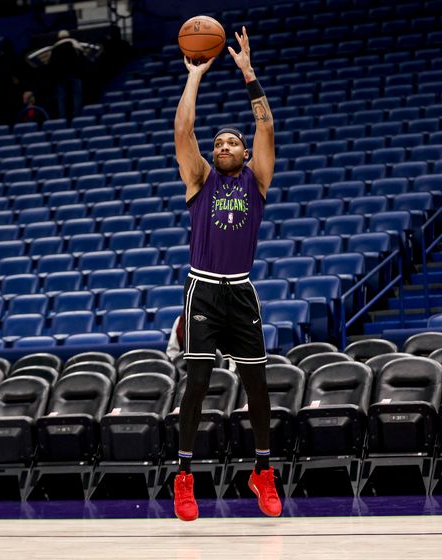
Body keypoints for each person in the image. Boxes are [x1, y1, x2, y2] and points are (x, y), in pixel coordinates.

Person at [172, 26, 278, 522]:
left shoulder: (257, 179)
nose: (223, 145)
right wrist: (194, 77)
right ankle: (185, 477)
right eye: (218, 142)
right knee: (196, 382)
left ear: (244, 153)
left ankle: (262, 471)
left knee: (257, 384)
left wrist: (248, 74)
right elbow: (183, 133)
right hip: (203, 289)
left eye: (232, 141)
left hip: (241, 291)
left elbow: (267, 130)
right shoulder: (200, 179)